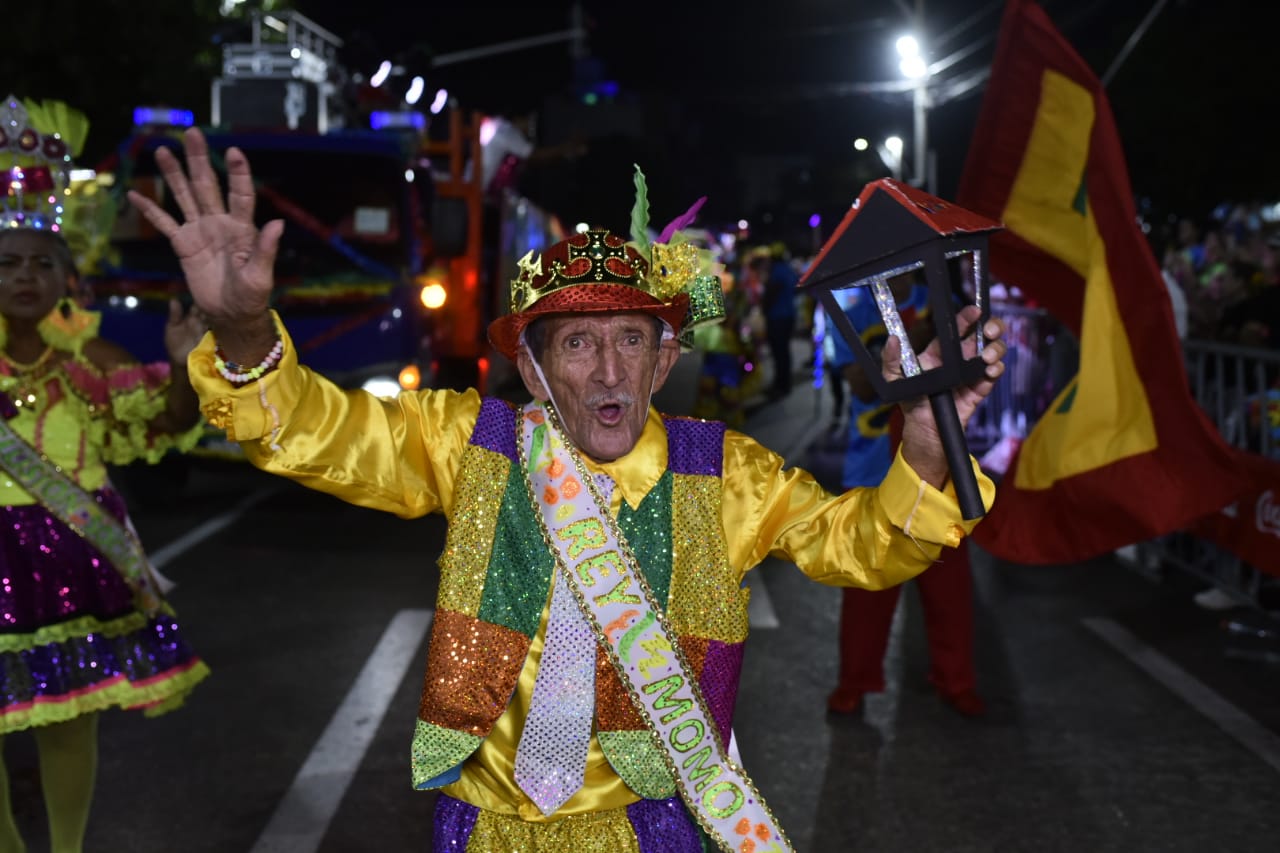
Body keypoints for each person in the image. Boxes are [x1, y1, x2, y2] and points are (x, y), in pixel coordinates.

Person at [133, 127, 1007, 852]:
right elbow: (321, 431)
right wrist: (243, 327)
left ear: (666, 360)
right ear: (533, 365)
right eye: (577, 344)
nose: (607, 369)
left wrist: (925, 446)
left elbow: (864, 545)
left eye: (630, 339)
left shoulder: (726, 472)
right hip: (484, 831)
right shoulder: (472, 446)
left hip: (648, 826)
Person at [0, 95, 210, 853]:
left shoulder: (91, 365)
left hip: (66, 561)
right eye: (7, 263)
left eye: (40, 263)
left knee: (66, 711)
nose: (25, 277)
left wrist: (187, 369)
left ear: (65, 277)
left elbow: (163, 423)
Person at [826, 271, 986, 718]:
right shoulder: (854, 312)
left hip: (939, 474)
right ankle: (852, 682)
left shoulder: (944, 306)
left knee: (949, 589)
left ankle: (957, 680)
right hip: (873, 474)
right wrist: (909, 340)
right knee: (865, 589)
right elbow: (858, 382)